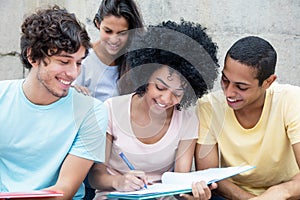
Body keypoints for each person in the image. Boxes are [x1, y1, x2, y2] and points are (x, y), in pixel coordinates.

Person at [88, 19, 220, 200]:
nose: (166, 99)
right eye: (160, 87)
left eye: (178, 93)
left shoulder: (187, 121)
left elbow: (180, 183)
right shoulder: (111, 109)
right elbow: (95, 176)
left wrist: (194, 196)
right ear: (145, 76)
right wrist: (119, 181)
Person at [0, 5, 107, 199]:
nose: (74, 73)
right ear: (32, 57)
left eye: (79, 62)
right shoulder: (2, 98)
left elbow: (63, 191)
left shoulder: (92, 111)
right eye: (64, 62)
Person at [195, 36, 300, 199]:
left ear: (268, 82)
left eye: (241, 87)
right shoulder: (209, 106)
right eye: (225, 80)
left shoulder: (291, 100)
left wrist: (282, 191)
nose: (229, 92)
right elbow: (209, 174)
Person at [73, 0, 144, 101]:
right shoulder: (83, 60)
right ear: (98, 24)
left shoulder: (136, 59)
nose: (114, 40)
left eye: (122, 33)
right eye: (108, 31)